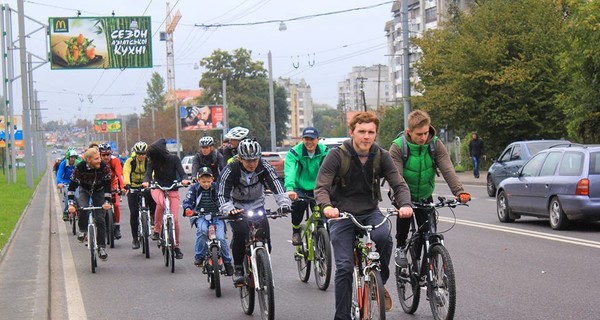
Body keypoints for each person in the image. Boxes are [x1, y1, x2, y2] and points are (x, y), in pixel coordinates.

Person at [314, 111, 413, 318]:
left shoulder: (381, 156)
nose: (366, 136)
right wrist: (326, 206)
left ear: (375, 134)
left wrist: (405, 204)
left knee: (384, 237)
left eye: (371, 132)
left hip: (370, 212)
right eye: (361, 132)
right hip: (341, 215)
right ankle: (341, 316)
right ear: (352, 132)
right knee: (344, 267)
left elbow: (399, 184)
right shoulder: (336, 155)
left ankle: (379, 282)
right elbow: (322, 186)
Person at [390, 109, 471, 268]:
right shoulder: (398, 147)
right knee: (405, 218)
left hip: (425, 194)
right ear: (409, 132)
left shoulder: (434, 144)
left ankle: (425, 268)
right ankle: (400, 248)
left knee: (428, 233)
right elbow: (395, 177)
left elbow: (447, 168)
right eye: (419, 134)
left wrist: (459, 191)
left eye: (426, 133)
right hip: (404, 195)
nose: (423, 137)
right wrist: (400, 201)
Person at [217, 138, 291, 286]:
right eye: (247, 161)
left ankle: (263, 264)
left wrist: (284, 204)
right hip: (237, 207)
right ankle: (238, 268)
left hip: (257, 206)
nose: (252, 164)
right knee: (240, 233)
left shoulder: (264, 165)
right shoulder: (231, 169)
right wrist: (230, 210)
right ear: (240, 158)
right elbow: (222, 194)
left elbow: (276, 185)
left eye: (255, 160)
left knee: (266, 239)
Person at [142, 138, 190, 260]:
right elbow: (148, 174)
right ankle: (157, 230)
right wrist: (146, 182)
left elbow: (182, 172)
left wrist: (184, 179)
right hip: (158, 187)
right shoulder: (152, 162)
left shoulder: (174, 159)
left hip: (173, 188)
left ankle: (176, 247)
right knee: (161, 203)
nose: (151, 158)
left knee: (174, 220)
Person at [183, 167, 233, 275]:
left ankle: (228, 262)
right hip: (201, 216)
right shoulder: (194, 189)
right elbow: (188, 200)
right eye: (203, 181)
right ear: (198, 180)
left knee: (221, 238)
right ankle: (199, 256)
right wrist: (188, 209)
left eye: (208, 181)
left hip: (217, 216)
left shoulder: (217, 188)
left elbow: (226, 198)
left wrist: (228, 209)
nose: (206, 184)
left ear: (213, 180)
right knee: (202, 231)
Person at [284, 127, 328, 245]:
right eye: (306, 139)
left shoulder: (325, 151)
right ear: (302, 140)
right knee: (299, 204)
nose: (309, 142)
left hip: (318, 187)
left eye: (312, 139)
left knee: (324, 212)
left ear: (318, 140)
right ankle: (296, 230)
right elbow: (290, 171)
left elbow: (331, 170)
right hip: (300, 186)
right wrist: (289, 188)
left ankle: (322, 237)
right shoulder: (295, 152)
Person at [67, 148, 112, 261]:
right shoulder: (80, 168)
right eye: (96, 159)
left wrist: (107, 202)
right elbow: (72, 186)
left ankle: (101, 248)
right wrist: (71, 204)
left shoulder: (103, 167)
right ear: (88, 160)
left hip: (99, 191)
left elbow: (107, 186)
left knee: (100, 219)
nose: (99, 160)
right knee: (83, 208)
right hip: (84, 190)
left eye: (99, 158)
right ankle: (82, 230)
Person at [123, 141, 157, 249]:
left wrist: (151, 182)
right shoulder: (130, 161)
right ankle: (135, 239)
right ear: (136, 153)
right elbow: (126, 172)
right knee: (133, 213)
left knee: (153, 202)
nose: (141, 156)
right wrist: (127, 184)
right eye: (139, 153)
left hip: (146, 185)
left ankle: (152, 216)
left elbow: (152, 172)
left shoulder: (149, 161)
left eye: (143, 153)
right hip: (133, 187)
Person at [99, 143, 126, 240]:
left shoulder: (115, 160)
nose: (106, 157)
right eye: (103, 155)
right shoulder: (97, 162)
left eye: (108, 154)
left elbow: (120, 174)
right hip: (101, 185)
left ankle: (117, 227)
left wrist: (122, 187)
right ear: (100, 155)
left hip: (112, 183)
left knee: (117, 205)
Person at [56, 149, 81, 221]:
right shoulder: (64, 163)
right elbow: (59, 174)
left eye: (74, 157)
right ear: (68, 157)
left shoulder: (78, 163)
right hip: (66, 182)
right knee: (68, 196)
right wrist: (59, 183)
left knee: (77, 196)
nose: (73, 159)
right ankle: (65, 212)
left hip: (76, 182)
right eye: (71, 157)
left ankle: (79, 211)